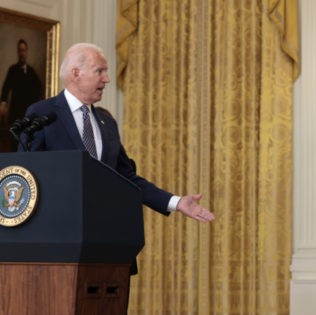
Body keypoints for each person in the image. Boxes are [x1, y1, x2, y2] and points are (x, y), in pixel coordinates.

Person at [18, 42, 215, 223]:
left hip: (107, 230)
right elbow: (27, 174)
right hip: (60, 230)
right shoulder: (42, 113)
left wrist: (176, 202)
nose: (107, 79)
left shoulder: (107, 121)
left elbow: (126, 177)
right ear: (76, 73)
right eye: (100, 71)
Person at [1, 39, 43, 150]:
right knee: (15, 142)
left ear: (27, 52)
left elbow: (39, 90)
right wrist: (3, 103)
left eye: (24, 51)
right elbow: (6, 88)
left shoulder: (31, 72)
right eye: (20, 51)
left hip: (28, 114)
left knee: (27, 143)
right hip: (15, 113)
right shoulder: (12, 70)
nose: (22, 53)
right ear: (17, 52)